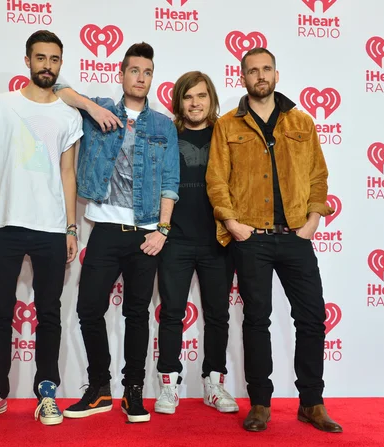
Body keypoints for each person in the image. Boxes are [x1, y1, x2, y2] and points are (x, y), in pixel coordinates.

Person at [206, 48, 343, 433]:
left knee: (312, 318)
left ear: (277, 75)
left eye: (266, 69)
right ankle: (261, 404)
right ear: (243, 77)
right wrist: (233, 224)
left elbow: (319, 175)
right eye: (253, 71)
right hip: (251, 237)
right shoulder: (228, 126)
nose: (260, 76)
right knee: (256, 320)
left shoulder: (301, 121)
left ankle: (312, 403)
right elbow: (216, 180)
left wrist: (313, 221)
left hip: (296, 236)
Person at [53, 42, 180, 423]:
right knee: (89, 308)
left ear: (151, 78)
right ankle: (99, 388)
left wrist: (162, 229)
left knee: (137, 314)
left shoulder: (163, 125)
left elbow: (170, 181)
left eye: (147, 72)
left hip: (145, 235)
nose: (140, 78)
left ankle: (134, 391)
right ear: (122, 73)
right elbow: (59, 89)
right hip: (105, 229)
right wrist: (92, 108)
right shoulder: (102, 111)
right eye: (134, 70)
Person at [0, 30, 83, 426]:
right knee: (0, 310)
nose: (47, 65)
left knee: (49, 312)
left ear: (60, 64)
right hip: (5, 222)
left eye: (54, 59)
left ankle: (46, 392)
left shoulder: (69, 115)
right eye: (40, 58)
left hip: (51, 227)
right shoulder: (2, 104)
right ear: (28, 61)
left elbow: (68, 172)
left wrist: (70, 227)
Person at [154, 71, 238, 415]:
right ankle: (168, 386)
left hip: (218, 239)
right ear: (179, 102)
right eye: (188, 97)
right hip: (175, 239)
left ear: (211, 99)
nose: (195, 103)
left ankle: (214, 384)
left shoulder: (227, 133)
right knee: (171, 313)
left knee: (218, 315)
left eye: (201, 96)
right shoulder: (168, 136)